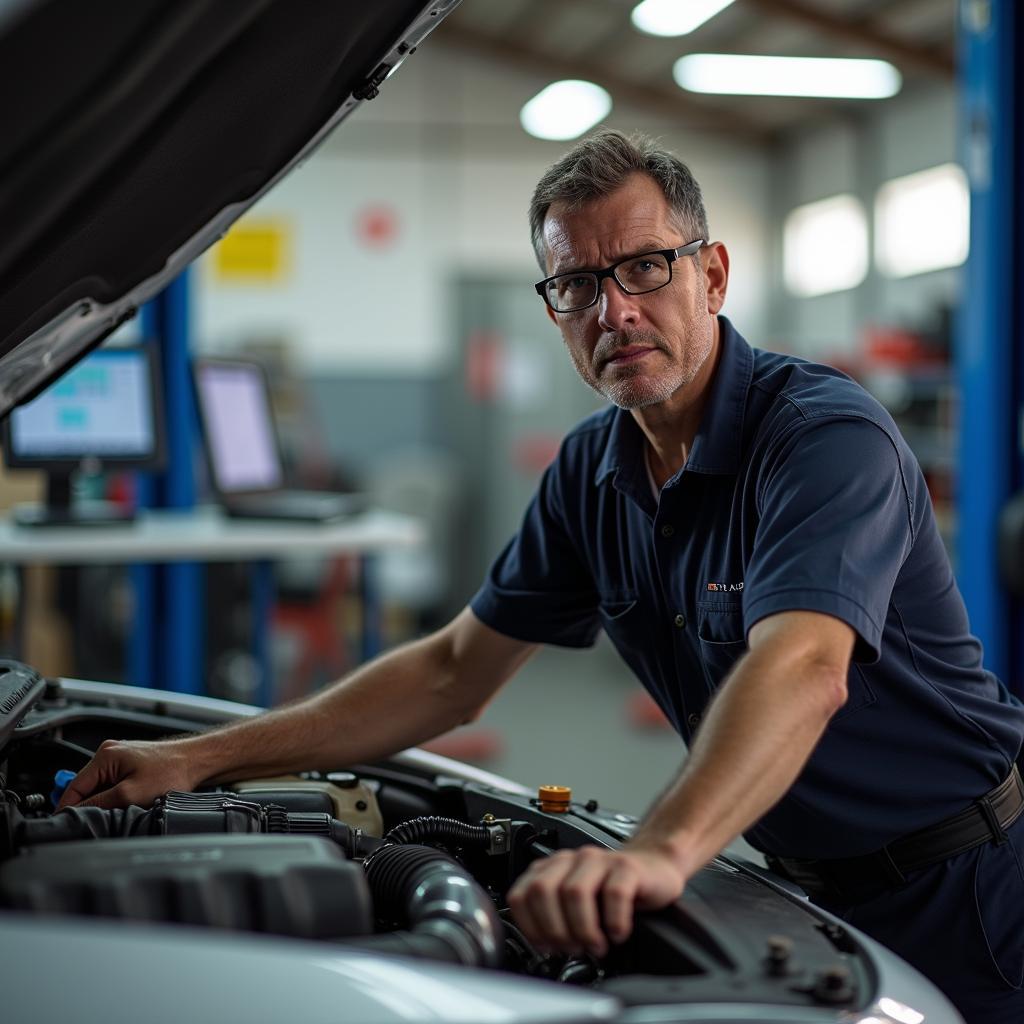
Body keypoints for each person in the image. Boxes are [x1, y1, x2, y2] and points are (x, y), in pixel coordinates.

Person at [61, 130, 1023, 1023]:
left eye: (646, 266)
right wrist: (202, 756)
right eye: (576, 284)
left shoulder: (821, 437)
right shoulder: (589, 471)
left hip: (969, 886)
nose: (617, 310)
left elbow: (806, 666)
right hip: (805, 889)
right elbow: (450, 672)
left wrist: (658, 853)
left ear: (714, 274)